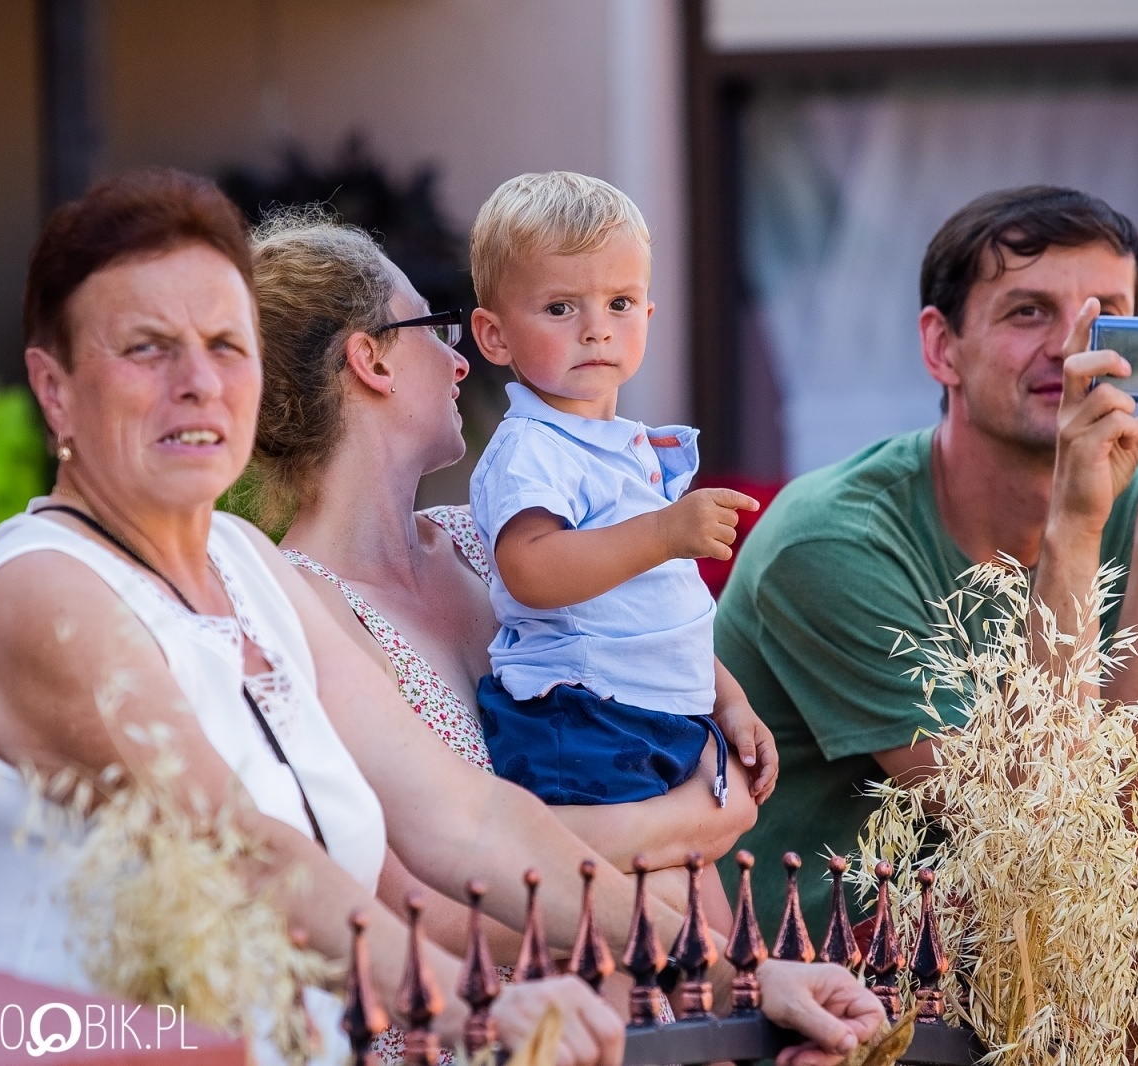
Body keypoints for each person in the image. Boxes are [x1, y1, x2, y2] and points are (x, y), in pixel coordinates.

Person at [0, 168, 882, 1066]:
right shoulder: (44, 594)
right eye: (147, 349)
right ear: (55, 389)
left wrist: (748, 973)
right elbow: (249, 858)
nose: (199, 383)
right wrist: (475, 1005)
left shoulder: (248, 565)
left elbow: (465, 820)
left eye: (227, 345)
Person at [717, 185, 1138, 923]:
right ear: (940, 347)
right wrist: (1076, 528)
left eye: (1104, 319)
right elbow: (1033, 830)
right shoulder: (831, 542)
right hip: (826, 1006)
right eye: (1028, 313)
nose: (1070, 348)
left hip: (1019, 997)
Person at [246, 206, 768, 959]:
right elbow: (418, 905)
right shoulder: (299, 608)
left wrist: (725, 708)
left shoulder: (491, 537)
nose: (462, 361)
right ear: (372, 360)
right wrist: (689, 815)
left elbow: (658, 639)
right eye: (436, 329)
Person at [464, 173, 769, 908]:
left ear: (648, 314)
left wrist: (725, 700)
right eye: (560, 307)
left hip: (653, 710)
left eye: (620, 304)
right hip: (584, 714)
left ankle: (697, 1017)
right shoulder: (532, 446)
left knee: (691, 903)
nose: (596, 327)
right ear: (494, 335)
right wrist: (664, 532)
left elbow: (660, 605)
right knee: (613, 915)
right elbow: (532, 568)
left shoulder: (621, 443)